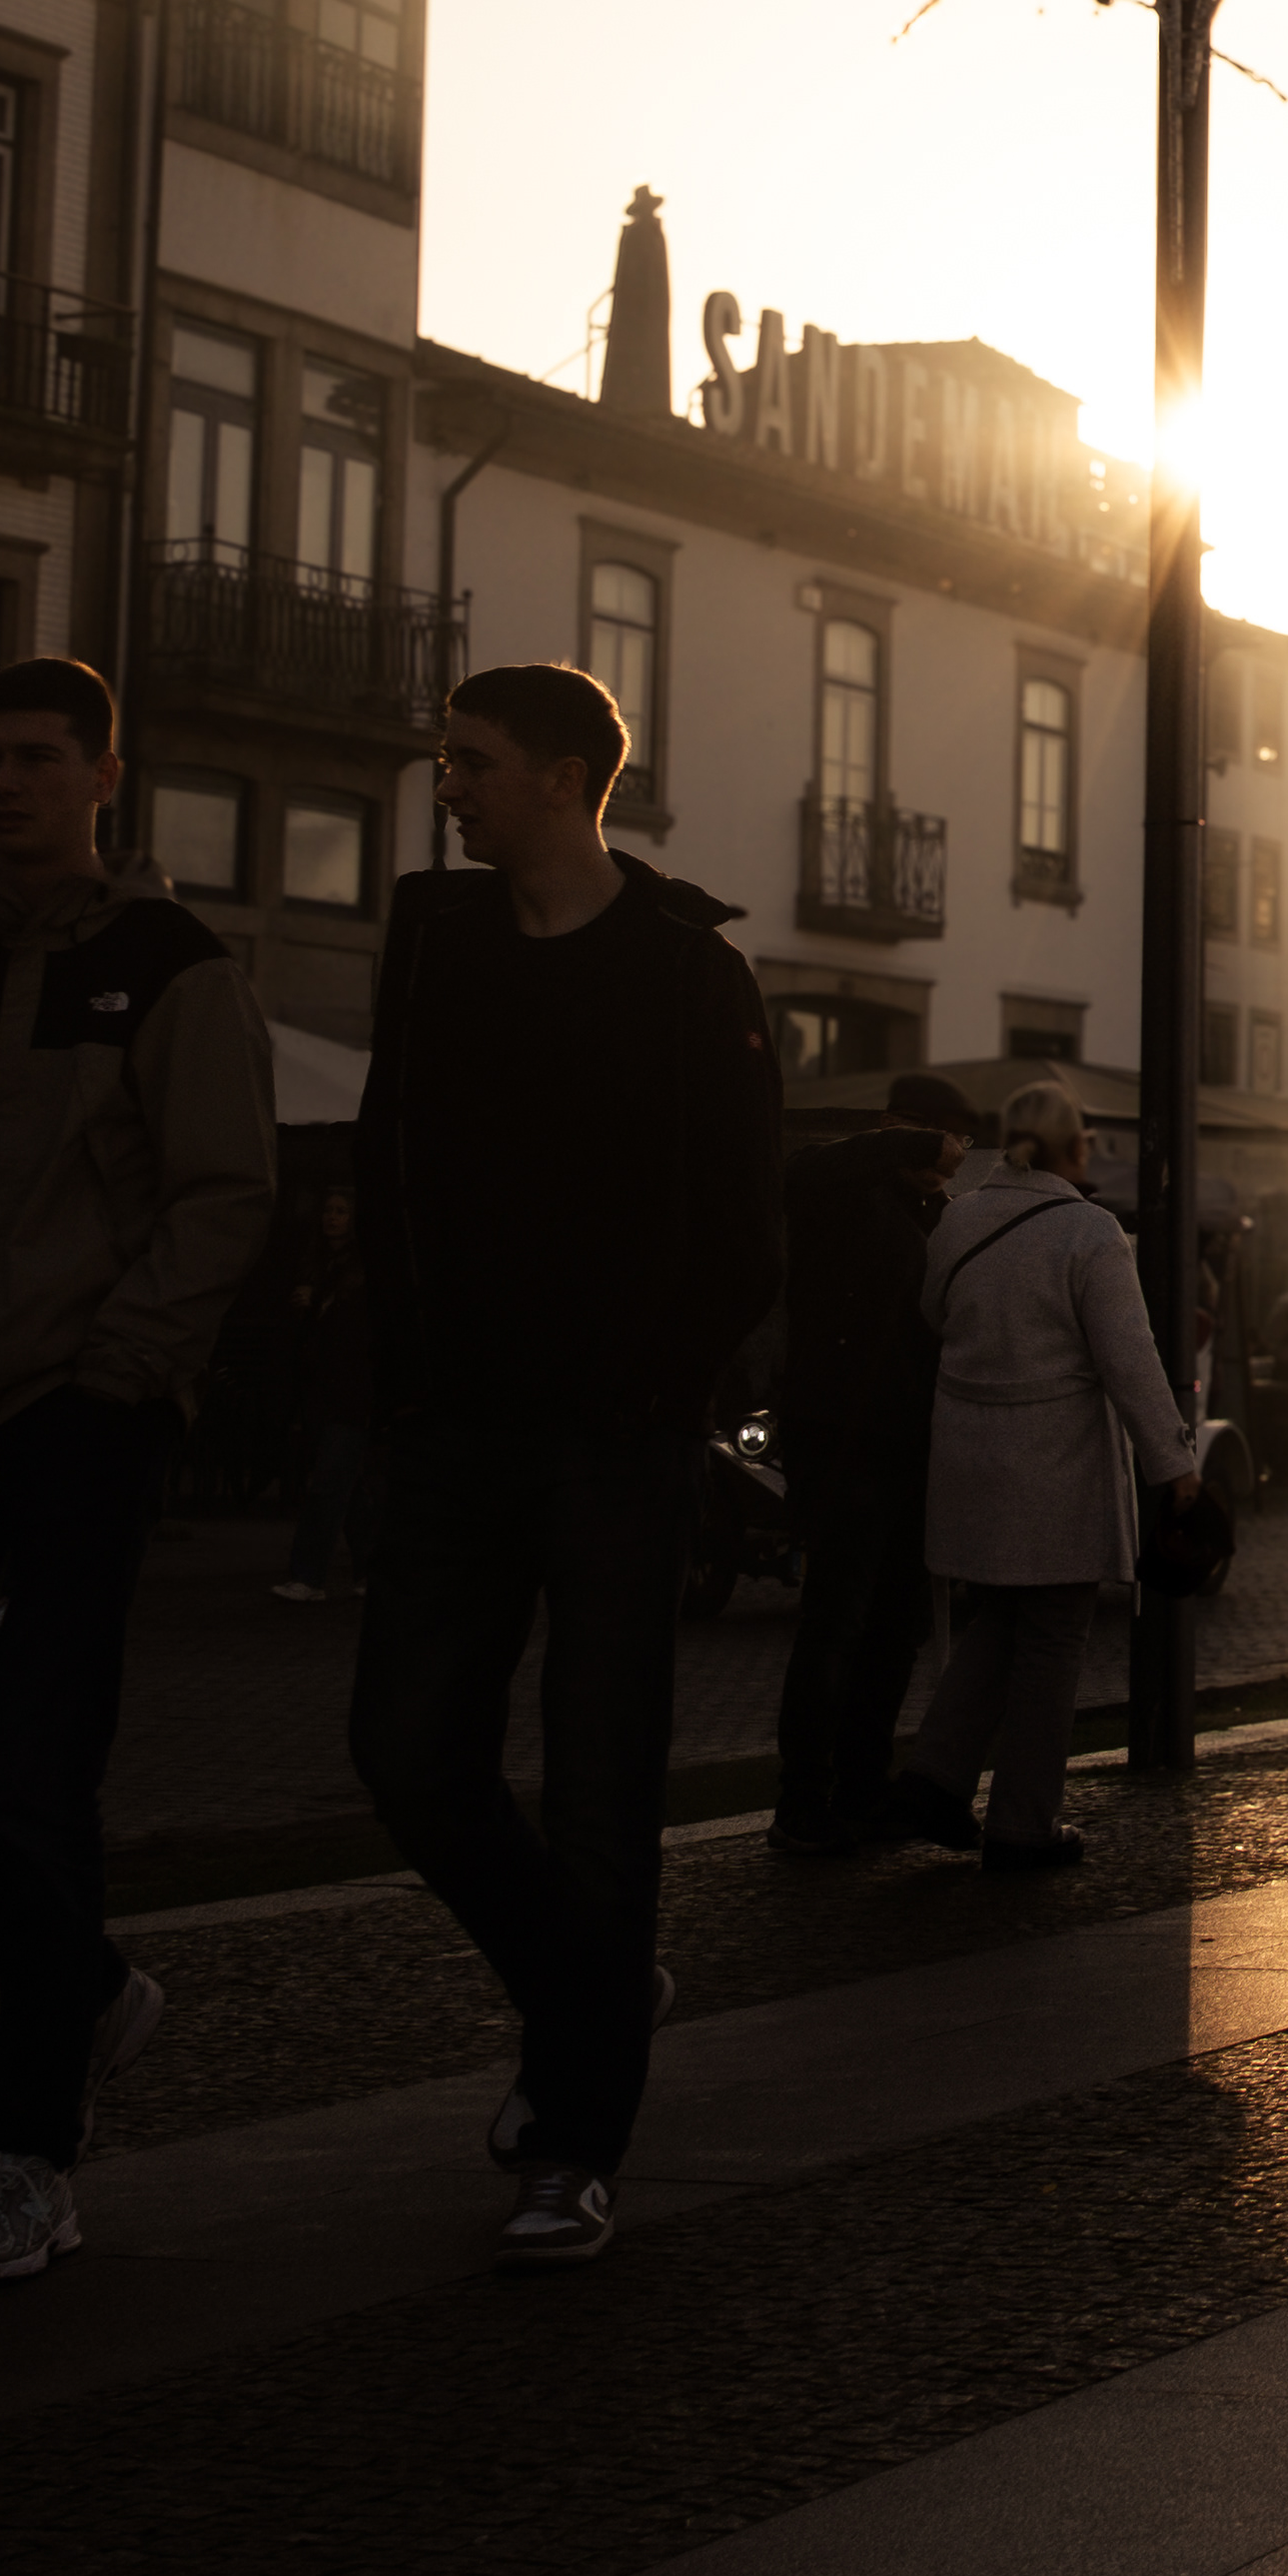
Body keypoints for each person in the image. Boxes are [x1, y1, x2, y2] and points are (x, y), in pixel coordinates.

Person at [350, 664, 782, 2265]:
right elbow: (390, 1156)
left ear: (557, 777)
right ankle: (586, 1990)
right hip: (454, 1426)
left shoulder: (687, 971)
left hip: (612, 1444)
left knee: (604, 1787)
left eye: (471, 762)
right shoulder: (435, 941)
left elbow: (744, 1226)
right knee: (406, 1752)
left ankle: (575, 2141)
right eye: (445, 759)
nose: (447, 784)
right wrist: (400, 1366)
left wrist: (652, 1393)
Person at [0, 655, 279, 2290]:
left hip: (80, 1408)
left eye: (38, 758)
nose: (3, 782)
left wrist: (125, 1366)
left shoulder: (170, 969)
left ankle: (29, 2153)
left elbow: (224, 1191)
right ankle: (87, 1982)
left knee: (46, 1771)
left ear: (103, 779)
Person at [891, 1076, 1195, 1873]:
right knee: (1053, 1637)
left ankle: (935, 1776)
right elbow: (1131, 1362)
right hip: (1054, 1466)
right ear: (1070, 1144)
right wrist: (1174, 1462)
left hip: (970, 1456)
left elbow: (931, 1315)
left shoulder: (957, 1221)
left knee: (998, 1620)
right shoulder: (1088, 1232)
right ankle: (1024, 1822)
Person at [768, 1071, 976, 1855]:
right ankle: (802, 1801)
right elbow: (798, 1174)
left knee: (896, 1625)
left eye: (961, 1142)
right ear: (899, 1130)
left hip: (910, 1440)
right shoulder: (841, 1192)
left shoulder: (940, 1219)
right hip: (842, 1433)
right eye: (943, 1138)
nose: (951, 1158)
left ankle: (863, 1784)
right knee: (837, 1618)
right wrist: (906, 1144)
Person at [269, 1176, 377, 1602]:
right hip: (322, 1384)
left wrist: (315, 1305)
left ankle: (308, 1574)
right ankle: (371, 1569)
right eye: (329, 1211)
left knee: (330, 1482)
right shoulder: (318, 1264)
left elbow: (355, 1327)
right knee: (348, 1485)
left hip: (351, 1386)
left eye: (340, 1212)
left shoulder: (361, 1270)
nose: (331, 1218)